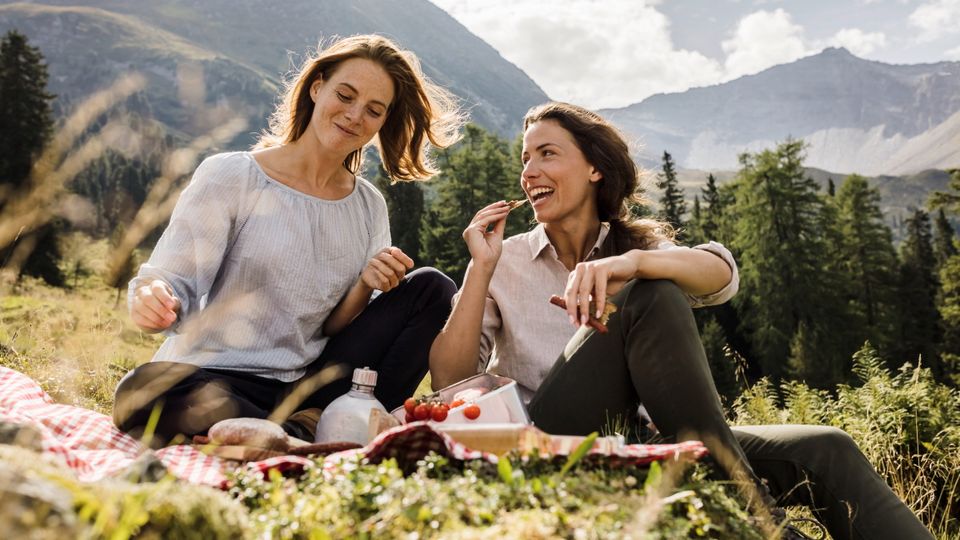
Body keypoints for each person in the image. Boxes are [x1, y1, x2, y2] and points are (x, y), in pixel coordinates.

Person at [429, 102, 932, 540]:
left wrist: (634, 264)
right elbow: (450, 379)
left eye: (547, 153)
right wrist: (481, 267)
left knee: (827, 448)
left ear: (594, 170)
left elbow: (720, 274)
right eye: (525, 158)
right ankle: (758, 517)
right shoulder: (506, 260)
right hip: (553, 441)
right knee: (649, 297)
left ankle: (739, 497)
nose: (529, 170)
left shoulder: (633, 247)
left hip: (647, 441)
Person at [114, 34, 463, 445]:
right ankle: (309, 433)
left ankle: (299, 427)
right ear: (317, 88)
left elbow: (338, 327)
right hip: (216, 379)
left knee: (432, 289)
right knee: (140, 392)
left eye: (373, 110)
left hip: (310, 385)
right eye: (345, 96)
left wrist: (365, 284)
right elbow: (173, 280)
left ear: (382, 121)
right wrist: (155, 297)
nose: (354, 116)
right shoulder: (232, 176)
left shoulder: (368, 206)